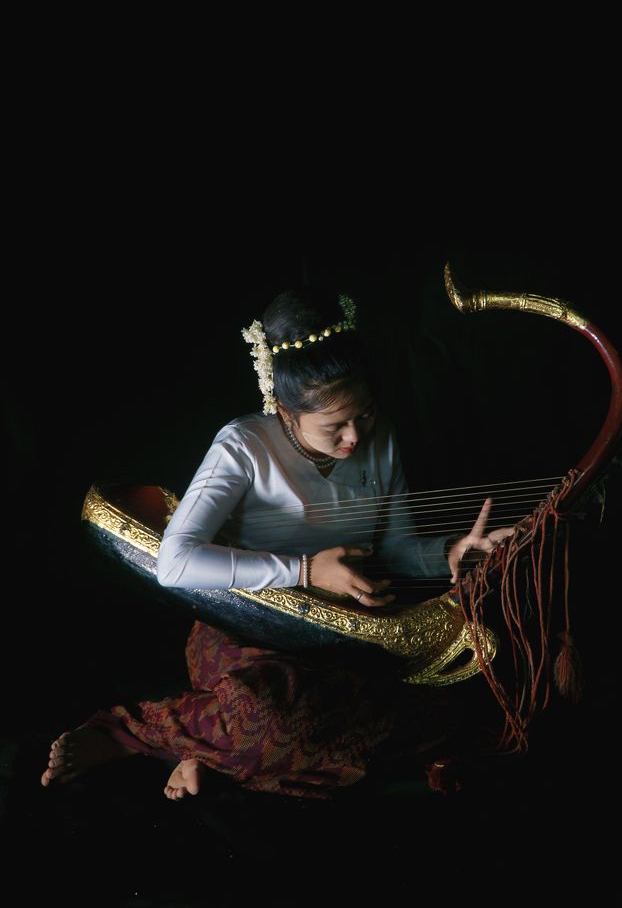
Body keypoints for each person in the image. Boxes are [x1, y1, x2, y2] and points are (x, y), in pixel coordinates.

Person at [40, 288, 514, 800]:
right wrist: (306, 571)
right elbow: (175, 564)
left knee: (461, 704)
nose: (355, 437)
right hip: (247, 631)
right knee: (272, 717)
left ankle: (212, 756)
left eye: (365, 414)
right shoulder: (244, 446)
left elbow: (396, 547)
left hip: (348, 638)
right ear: (285, 412)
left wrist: (447, 553)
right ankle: (128, 735)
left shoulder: (384, 438)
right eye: (334, 427)